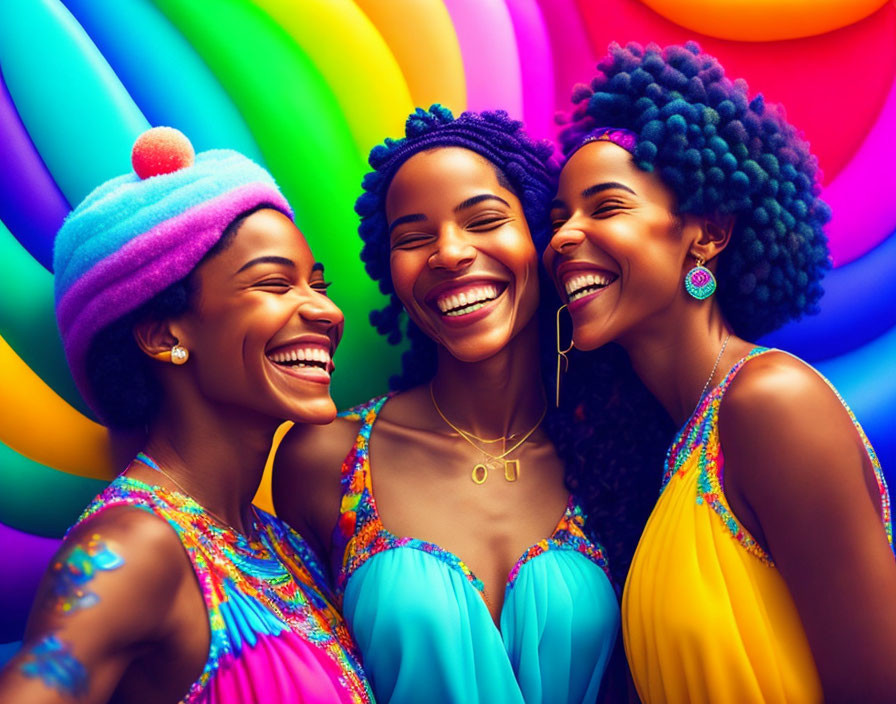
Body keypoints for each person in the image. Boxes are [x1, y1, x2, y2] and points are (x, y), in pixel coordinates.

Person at [545, 42, 896, 703]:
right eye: (559, 218)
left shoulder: (770, 403)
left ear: (706, 234)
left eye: (606, 206)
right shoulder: (679, 444)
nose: (563, 237)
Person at [0, 127, 372, 704]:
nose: (324, 310)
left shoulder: (279, 542)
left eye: (316, 284)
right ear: (162, 334)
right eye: (275, 284)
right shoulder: (131, 549)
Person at [274, 106, 619, 704]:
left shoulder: (613, 455)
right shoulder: (325, 459)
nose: (449, 253)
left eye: (483, 220)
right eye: (413, 237)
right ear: (393, 272)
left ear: (543, 239)